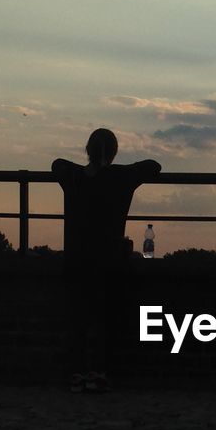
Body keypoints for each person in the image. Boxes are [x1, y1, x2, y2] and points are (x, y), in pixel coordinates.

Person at [53, 128, 161, 392]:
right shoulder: (122, 177)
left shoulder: (74, 177)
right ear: (113, 152)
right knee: (103, 318)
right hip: (108, 259)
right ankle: (98, 371)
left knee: (76, 318)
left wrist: (90, 167)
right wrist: (113, 167)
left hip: (77, 258)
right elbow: (154, 166)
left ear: (87, 150)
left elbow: (56, 165)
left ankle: (75, 372)